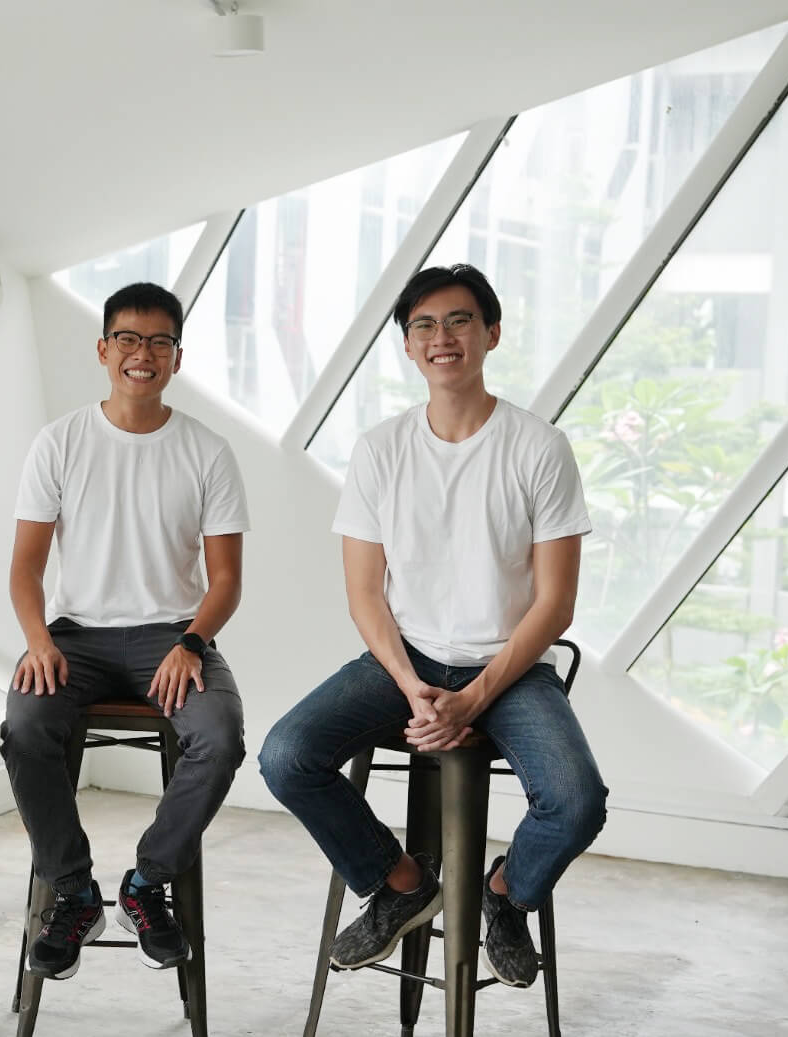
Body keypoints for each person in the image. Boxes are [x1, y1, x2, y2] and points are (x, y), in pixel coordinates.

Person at [259, 264, 607, 988]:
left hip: (509, 669)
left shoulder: (539, 447)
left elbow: (556, 604)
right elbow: (364, 595)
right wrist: (414, 687)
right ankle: (401, 882)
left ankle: (505, 894)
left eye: (458, 321)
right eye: (424, 325)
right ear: (409, 348)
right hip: (404, 660)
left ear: (491, 334)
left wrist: (474, 698)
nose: (441, 337)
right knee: (287, 754)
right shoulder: (381, 449)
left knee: (577, 801)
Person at [2, 281, 249, 980]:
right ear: (105, 348)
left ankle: (147, 882)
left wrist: (191, 641)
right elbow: (25, 567)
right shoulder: (60, 441)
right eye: (130, 340)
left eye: (160, 341)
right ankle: (73, 889)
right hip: (74, 636)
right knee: (24, 724)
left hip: (170, 634)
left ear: (177, 356)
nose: (144, 354)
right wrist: (39, 641)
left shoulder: (207, 450)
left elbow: (225, 578)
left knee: (220, 733)